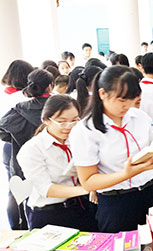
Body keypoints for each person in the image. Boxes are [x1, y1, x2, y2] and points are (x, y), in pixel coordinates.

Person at [70, 65, 153, 233]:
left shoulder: (140, 117)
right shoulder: (85, 130)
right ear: (102, 93)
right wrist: (125, 174)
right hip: (117, 203)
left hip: (151, 192)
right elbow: (88, 181)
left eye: (132, 99)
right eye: (121, 99)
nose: (127, 105)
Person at [17, 95, 98, 231]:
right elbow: (46, 189)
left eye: (74, 121)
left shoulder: (77, 141)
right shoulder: (32, 149)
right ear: (46, 120)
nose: (69, 127)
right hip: (49, 214)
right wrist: (87, 188)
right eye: (62, 122)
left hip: (81, 207)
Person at [0, 69, 54, 230]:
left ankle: (20, 230)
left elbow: (2, 130)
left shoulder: (19, 108)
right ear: (50, 86)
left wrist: (17, 138)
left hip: (23, 164)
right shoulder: (58, 105)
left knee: (24, 200)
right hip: (54, 162)